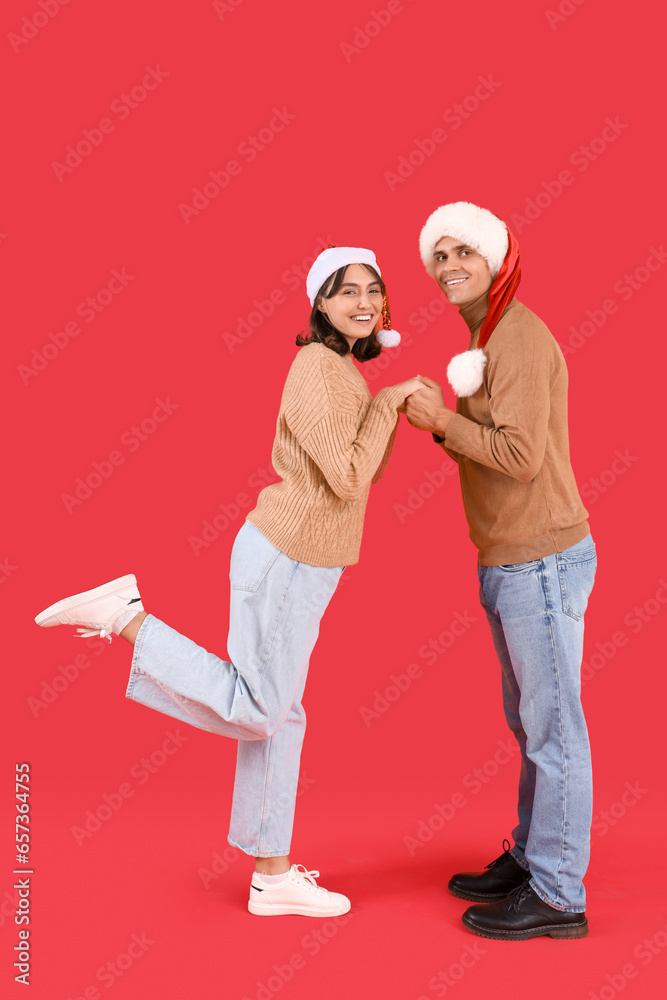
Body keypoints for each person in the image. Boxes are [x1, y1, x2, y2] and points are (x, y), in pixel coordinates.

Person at [35, 245, 424, 918]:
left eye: (373, 290)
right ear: (320, 304)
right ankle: (128, 618)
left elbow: (360, 477)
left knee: (281, 716)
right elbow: (348, 477)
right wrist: (391, 403)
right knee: (263, 708)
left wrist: (384, 410)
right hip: (288, 557)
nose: (363, 301)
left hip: (304, 559)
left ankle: (271, 876)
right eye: (345, 291)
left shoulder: (340, 375)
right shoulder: (319, 370)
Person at [405, 202, 596, 940]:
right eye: (439, 255)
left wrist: (439, 420)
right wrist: (442, 424)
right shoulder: (485, 335)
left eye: (464, 252)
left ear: (496, 259)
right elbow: (490, 446)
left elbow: (517, 458)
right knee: (531, 723)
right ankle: (533, 854)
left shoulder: (516, 336)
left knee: (554, 730)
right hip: (510, 558)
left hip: (539, 557)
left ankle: (557, 896)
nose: (449, 266)